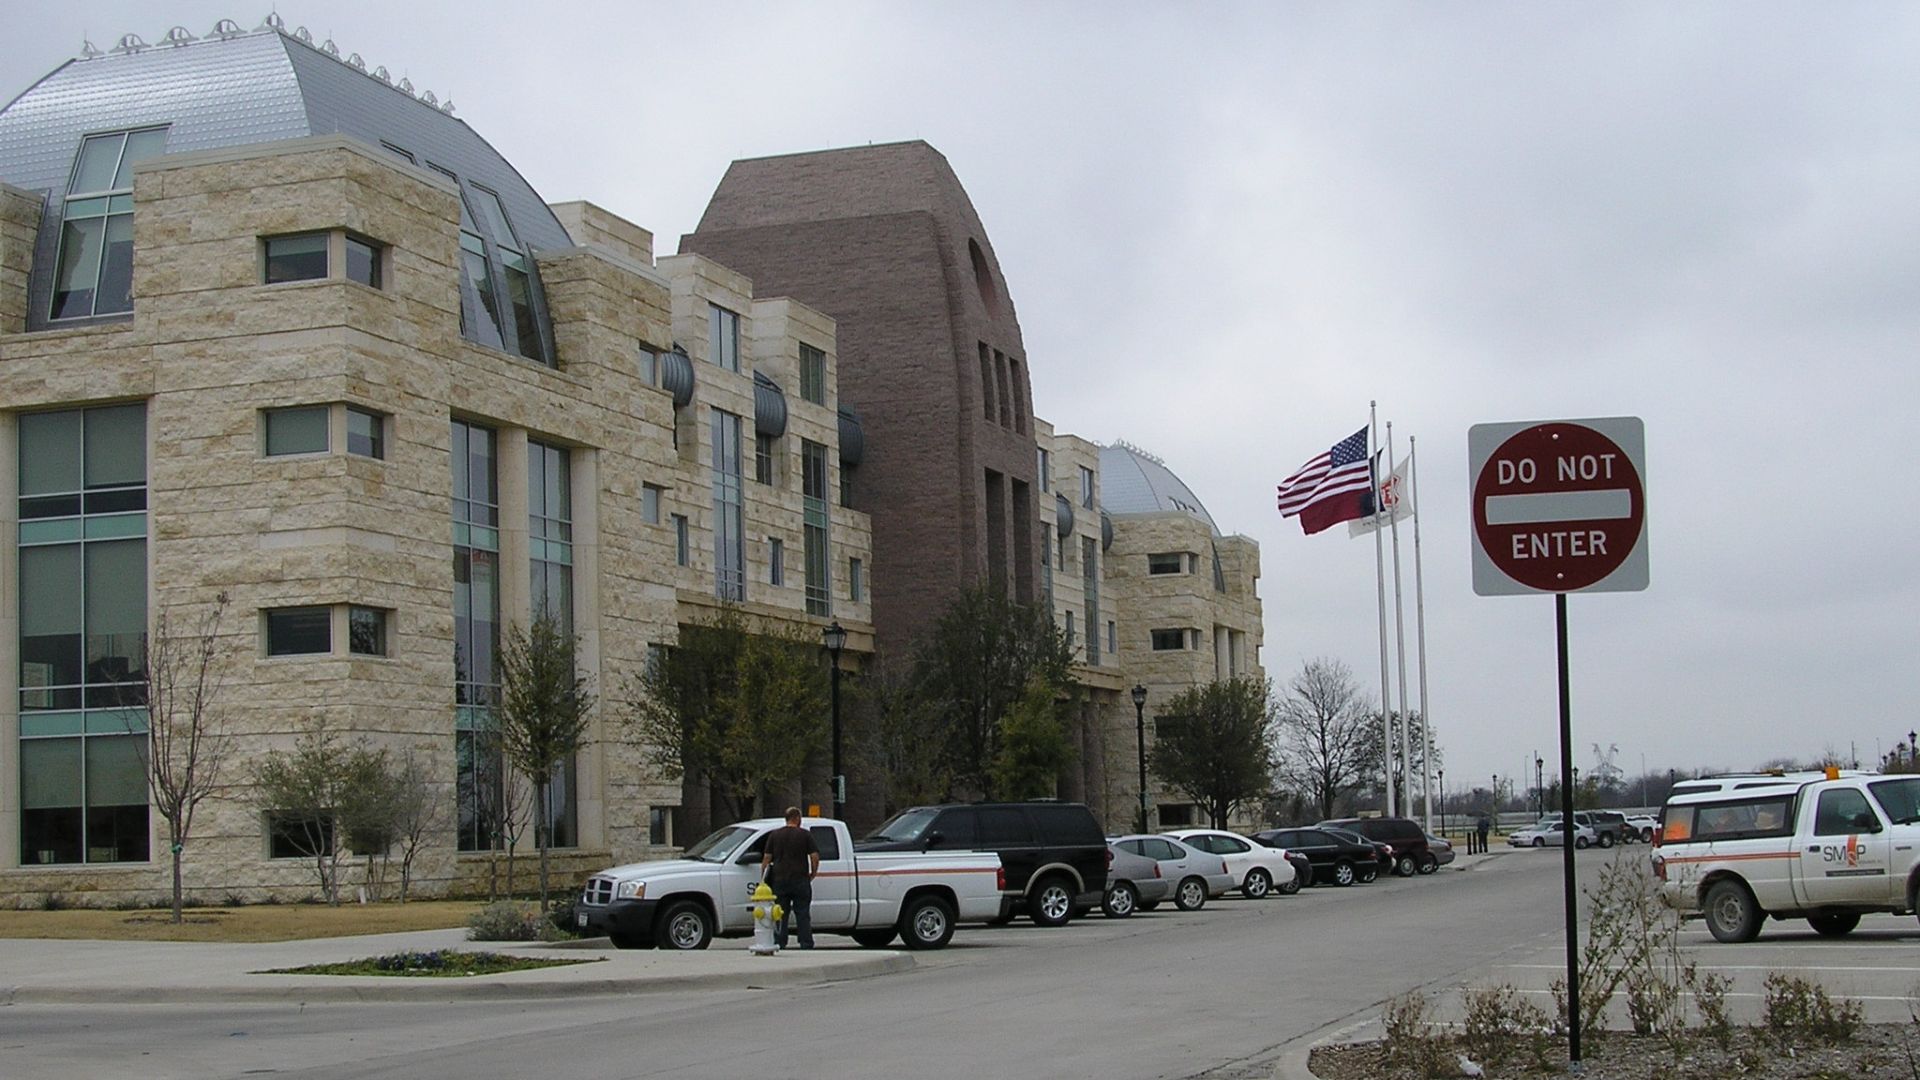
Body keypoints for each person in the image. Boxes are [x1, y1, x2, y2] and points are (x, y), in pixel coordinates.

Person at [760, 807, 820, 950]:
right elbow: (814, 856)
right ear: (797, 818)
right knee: (803, 913)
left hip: (779, 880)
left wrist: (764, 877)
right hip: (800, 879)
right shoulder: (805, 835)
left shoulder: (775, 835)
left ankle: (780, 942)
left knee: (780, 913)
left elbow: (766, 859)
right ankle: (806, 943)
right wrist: (813, 872)